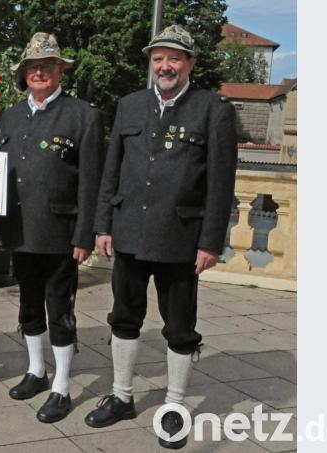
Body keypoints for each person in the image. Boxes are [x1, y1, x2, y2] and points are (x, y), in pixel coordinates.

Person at [83, 25, 237, 449]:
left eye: (174, 58)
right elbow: (111, 169)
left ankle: (173, 405)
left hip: (181, 240)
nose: (165, 66)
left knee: (180, 327)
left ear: (190, 64)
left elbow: (221, 185)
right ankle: (121, 396)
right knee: (123, 318)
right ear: (150, 63)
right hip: (129, 233)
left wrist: (210, 242)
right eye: (158, 58)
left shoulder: (213, 110)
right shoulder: (130, 106)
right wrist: (103, 224)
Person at [0, 32, 105, 423]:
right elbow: (3, 175)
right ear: (24, 74)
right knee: (29, 306)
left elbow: (92, 181)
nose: (39, 72)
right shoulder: (11, 116)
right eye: (32, 67)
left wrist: (84, 234)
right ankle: (37, 371)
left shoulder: (83, 116)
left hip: (60, 233)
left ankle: (62, 386)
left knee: (60, 310)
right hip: (20, 231)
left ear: (59, 71)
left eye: (47, 65)